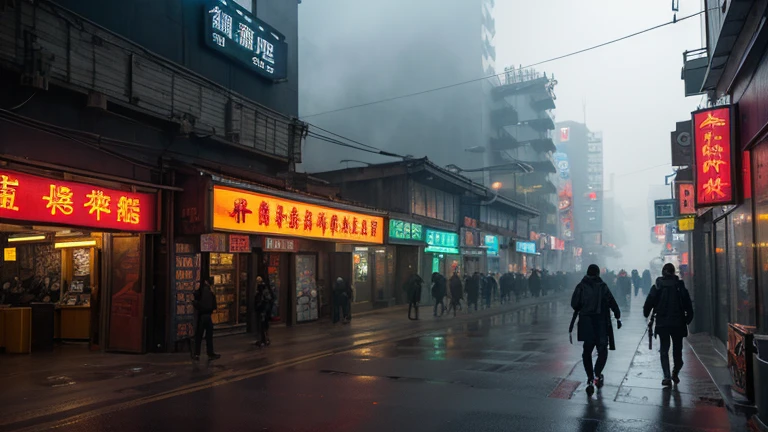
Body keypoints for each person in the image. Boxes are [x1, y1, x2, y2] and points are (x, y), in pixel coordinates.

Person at [571, 264, 621, 396]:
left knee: (586, 352)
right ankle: (597, 373)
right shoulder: (602, 286)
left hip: (586, 323)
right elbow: (611, 301)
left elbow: (574, 304)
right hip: (601, 323)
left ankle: (589, 377)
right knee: (602, 351)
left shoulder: (581, 286)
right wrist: (617, 314)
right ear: (598, 273)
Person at [643, 263, 694, 387]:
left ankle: (666, 376)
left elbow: (649, 302)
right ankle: (675, 371)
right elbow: (688, 305)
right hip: (678, 323)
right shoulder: (680, 286)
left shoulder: (657, 286)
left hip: (662, 323)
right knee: (677, 350)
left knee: (664, 349)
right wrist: (687, 319)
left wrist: (647, 313)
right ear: (673, 272)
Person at [193, 277, 220, 361]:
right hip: (208, 316)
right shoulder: (211, 291)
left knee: (199, 336)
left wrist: (196, 304)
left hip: (202, 316)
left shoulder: (200, 291)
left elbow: (196, 301)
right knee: (209, 336)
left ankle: (197, 354)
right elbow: (214, 305)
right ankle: (210, 353)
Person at [254, 276, 275, 346]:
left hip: (263, 310)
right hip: (266, 310)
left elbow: (260, 299)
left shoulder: (261, 289)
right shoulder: (267, 289)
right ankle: (266, 339)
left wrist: (259, 307)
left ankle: (263, 340)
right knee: (265, 325)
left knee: (262, 325)